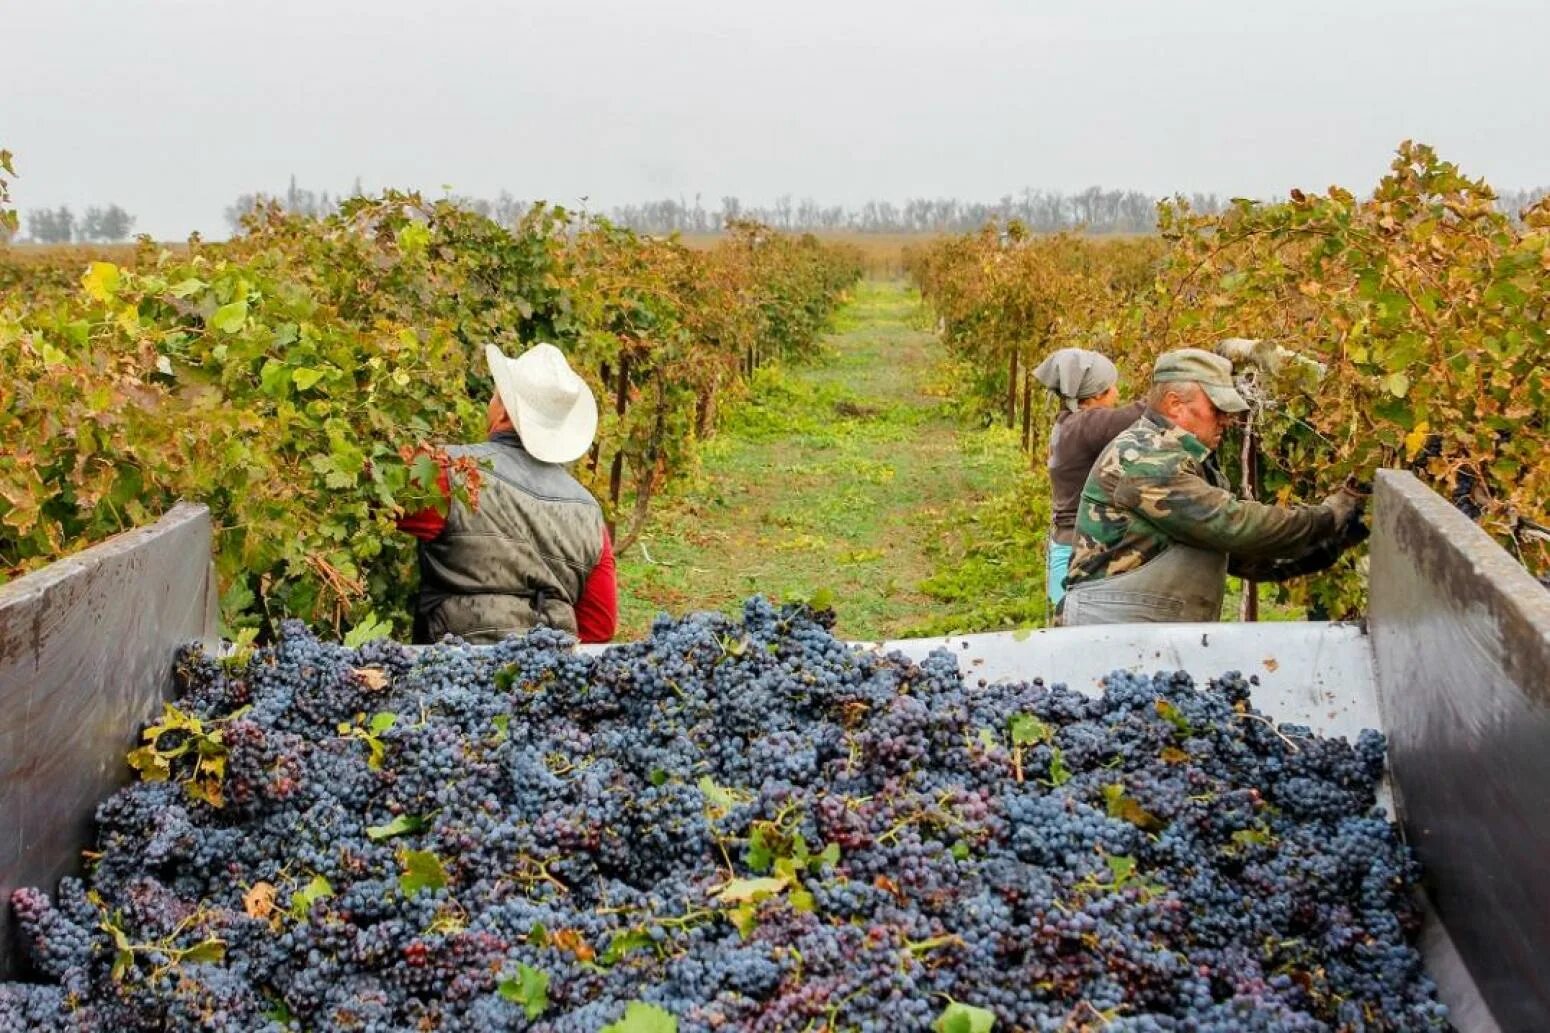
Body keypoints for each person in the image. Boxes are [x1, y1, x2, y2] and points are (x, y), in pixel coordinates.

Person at [1061, 348, 1365, 625]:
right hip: (1111, 630)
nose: (1227, 420)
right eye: (1217, 409)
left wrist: (1339, 539)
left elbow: (1246, 557)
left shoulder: (1190, 462)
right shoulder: (1145, 459)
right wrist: (1330, 515)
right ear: (1175, 404)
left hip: (1149, 628)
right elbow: (1233, 523)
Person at [398, 343, 617, 644]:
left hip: (454, 674)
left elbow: (375, 506)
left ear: (502, 411)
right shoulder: (590, 515)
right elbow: (598, 628)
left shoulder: (446, 472)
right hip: (544, 679)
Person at [1033, 347, 1145, 609]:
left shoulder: (1068, 423)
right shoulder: (1087, 425)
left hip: (1066, 545)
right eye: (1112, 387)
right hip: (1077, 553)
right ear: (1096, 393)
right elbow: (1143, 412)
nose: (1118, 393)